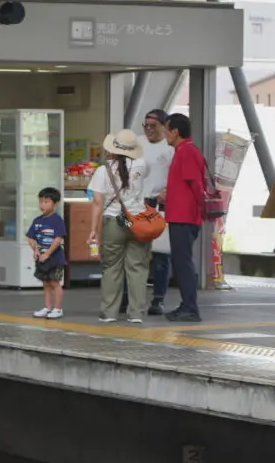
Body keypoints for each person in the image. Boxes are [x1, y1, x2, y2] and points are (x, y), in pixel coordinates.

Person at [86, 129, 149, 324]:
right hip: (136, 221)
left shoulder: (103, 170)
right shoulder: (141, 164)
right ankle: (136, 313)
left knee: (112, 267)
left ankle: (109, 312)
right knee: (137, 267)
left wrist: (94, 230)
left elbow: (97, 202)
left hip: (114, 220)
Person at [159, 112, 208, 323]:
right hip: (181, 214)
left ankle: (190, 307)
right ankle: (186, 304)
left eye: (166, 131)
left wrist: (198, 210)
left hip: (185, 216)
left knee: (182, 262)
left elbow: (196, 184)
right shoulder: (183, 150)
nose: (165, 135)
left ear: (175, 132)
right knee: (181, 261)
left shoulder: (186, 151)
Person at [140, 109, 174, 315]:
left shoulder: (170, 147)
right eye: (146, 126)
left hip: (158, 207)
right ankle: (129, 298)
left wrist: (168, 191)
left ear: (164, 126)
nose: (149, 130)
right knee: (135, 252)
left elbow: (177, 174)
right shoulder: (137, 143)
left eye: (153, 126)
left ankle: (158, 299)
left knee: (160, 254)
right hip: (136, 206)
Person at [26, 186, 66, 319]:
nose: (42, 204)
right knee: (46, 282)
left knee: (55, 282)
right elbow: (30, 237)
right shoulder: (37, 221)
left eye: (46, 202)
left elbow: (58, 239)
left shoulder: (57, 220)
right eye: (41, 201)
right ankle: (47, 307)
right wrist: (35, 250)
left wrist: (48, 253)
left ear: (55, 204)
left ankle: (58, 308)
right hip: (42, 258)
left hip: (55, 259)